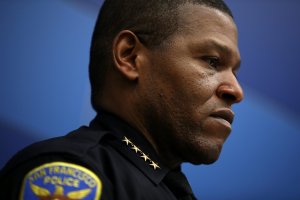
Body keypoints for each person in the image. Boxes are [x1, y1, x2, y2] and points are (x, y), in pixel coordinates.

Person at [0, 0, 244, 199]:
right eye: (212, 61)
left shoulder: (167, 188)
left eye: (235, 71)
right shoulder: (71, 177)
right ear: (129, 56)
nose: (236, 90)